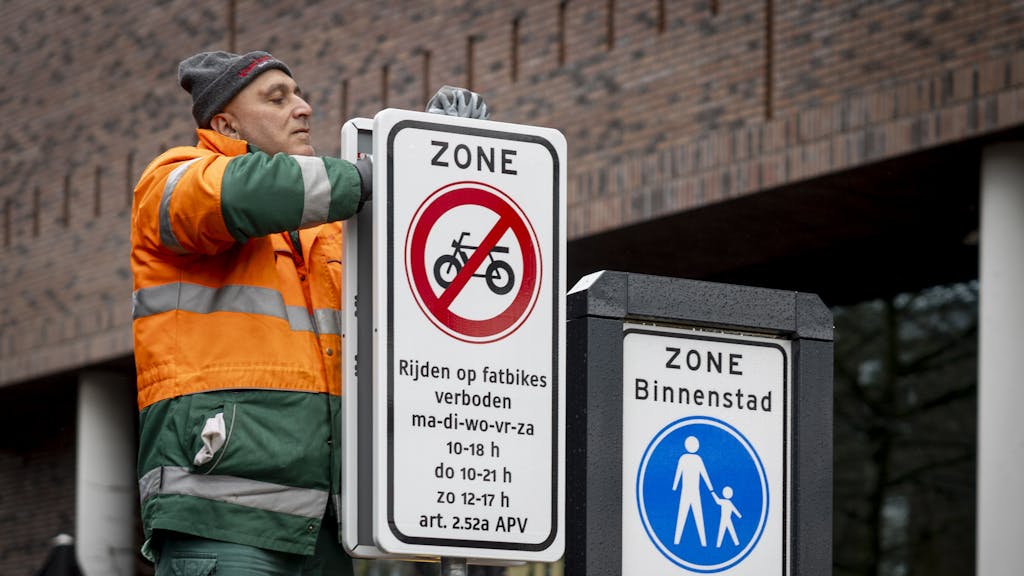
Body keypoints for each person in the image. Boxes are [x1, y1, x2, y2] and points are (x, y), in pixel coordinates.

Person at [130, 50, 488, 575]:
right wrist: (391, 168)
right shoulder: (175, 179)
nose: (303, 108)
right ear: (226, 124)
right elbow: (247, 191)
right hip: (221, 517)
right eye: (277, 99)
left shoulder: (332, 231)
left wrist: (436, 154)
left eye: (298, 95)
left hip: (329, 524)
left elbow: (426, 292)